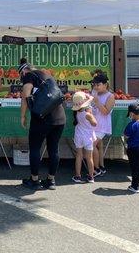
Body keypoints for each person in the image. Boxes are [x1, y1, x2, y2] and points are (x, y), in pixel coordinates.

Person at [19, 59, 66, 190]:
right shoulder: (47, 75)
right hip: (59, 118)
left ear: (24, 71)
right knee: (53, 149)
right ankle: (51, 180)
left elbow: (25, 96)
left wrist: (23, 116)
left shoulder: (29, 75)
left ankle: (34, 180)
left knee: (34, 148)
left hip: (42, 119)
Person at [91, 73, 115, 176]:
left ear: (105, 85)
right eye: (94, 85)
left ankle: (96, 169)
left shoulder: (110, 96)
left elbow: (105, 112)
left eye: (98, 85)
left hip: (102, 127)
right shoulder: (94, 93)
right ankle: (101, 166)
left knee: (91, 145)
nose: (95, 87)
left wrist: (96, 102)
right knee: (99, 146)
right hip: (92, 125)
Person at [72, 91, 98, 183]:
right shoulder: (87, 114)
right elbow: (95, 123)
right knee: (89, 157)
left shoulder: (77, 112)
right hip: (88, 137)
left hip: (79, 134)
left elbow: (88, 102)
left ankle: (78, 176)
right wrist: (91, 115)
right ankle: (91, 177)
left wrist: (88, 100)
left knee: (79, 155)